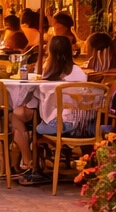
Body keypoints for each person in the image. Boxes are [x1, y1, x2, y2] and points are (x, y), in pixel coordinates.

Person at [11, 35, 88, 186]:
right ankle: (37, 161)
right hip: (82, 122)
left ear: (50, 52)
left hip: (58, 124)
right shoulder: (79, 72)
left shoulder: (49, 75)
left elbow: (34, 102)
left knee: (16, 115)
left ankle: (29, 163)